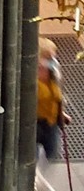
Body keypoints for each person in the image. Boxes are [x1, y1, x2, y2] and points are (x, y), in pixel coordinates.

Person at [39, 40, 67, 170]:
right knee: (30, 156)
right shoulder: (30, 80)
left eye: (54, 56)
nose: (53, 61)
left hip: (51, 121)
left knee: (52, 152)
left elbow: (57, 97)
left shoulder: (54, 74)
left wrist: (62, 114)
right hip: (34, 122)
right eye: (49, 57)